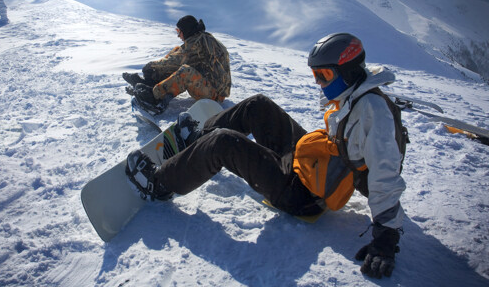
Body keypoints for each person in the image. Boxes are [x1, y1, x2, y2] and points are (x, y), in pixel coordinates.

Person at [126, 33, 406, 279]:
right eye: (315, 75)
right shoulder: (357, 92)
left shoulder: (373, 113)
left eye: (325, 76)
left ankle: (159, 184)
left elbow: (385, 175)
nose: (319, 83)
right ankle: (199, 140)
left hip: (304, 194)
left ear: (348, 70)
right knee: (258, 106)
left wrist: (386, 236)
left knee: (224, 143)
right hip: (311, 162)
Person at [123, 15, 231, 114]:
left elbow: (176, 60)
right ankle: (151, 82)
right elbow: (178, 55)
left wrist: (151, 66)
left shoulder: (198, 41)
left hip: (215, 95)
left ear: (186, 30)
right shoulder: (201, 38)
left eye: (179, 31)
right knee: (176, 50)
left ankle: (155, 98)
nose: (178, 35)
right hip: (208, 84)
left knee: (185, 72)